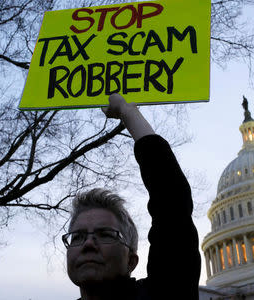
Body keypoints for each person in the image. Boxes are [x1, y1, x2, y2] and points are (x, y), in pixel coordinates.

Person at [62, 93, 201, 300]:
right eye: (77, 237)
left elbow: (172, 201)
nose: (88, 244)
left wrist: (128, 112)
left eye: (106, 234)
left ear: (131, 261)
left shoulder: (163, 293)